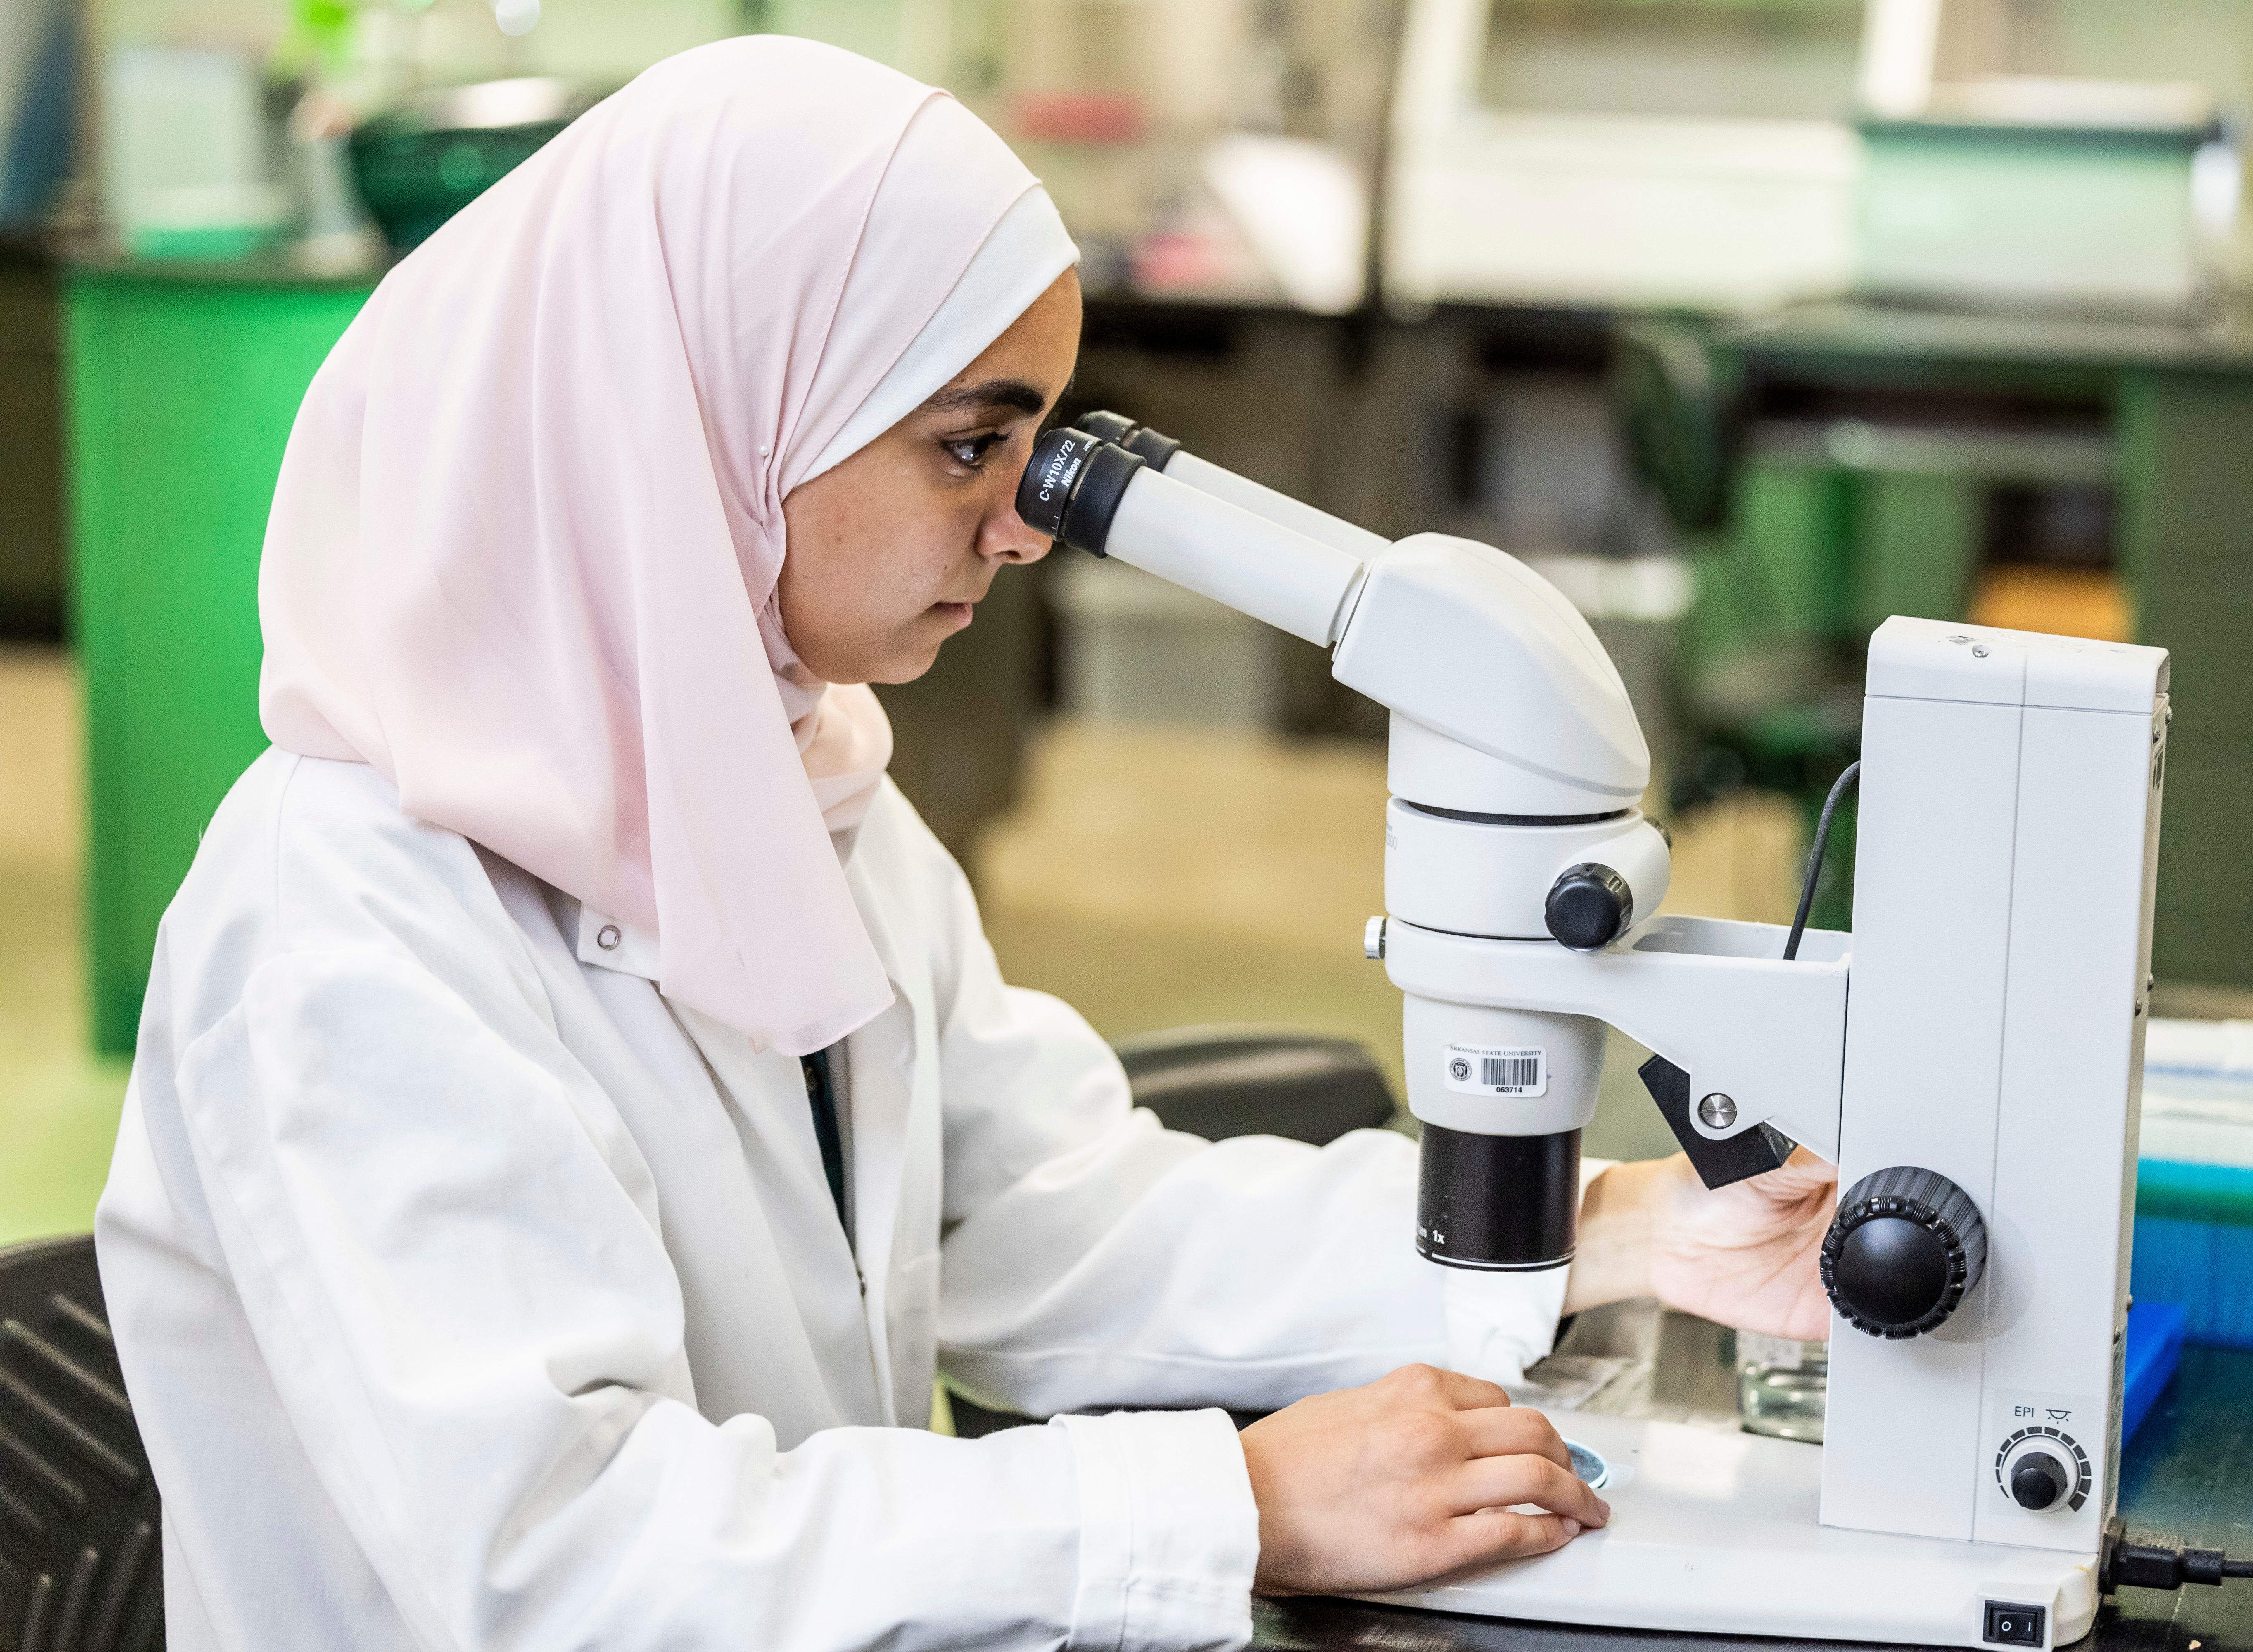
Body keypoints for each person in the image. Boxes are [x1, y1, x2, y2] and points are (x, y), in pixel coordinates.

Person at [94, 38, 1836, 1652]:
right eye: (970, 444)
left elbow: (1048, 1220)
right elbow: (565, 1558)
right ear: (713, 413)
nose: (1023, 526)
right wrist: (1228, 1505)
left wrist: (1616, 1224)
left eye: (1039, 446)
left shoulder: (799, 786)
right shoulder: (346, 916)